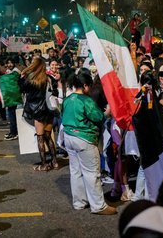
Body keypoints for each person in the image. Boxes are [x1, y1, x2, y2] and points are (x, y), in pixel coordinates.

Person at [62, 68, 116, 215]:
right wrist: (107, 112)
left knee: (76, 171)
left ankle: (79, 202)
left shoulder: (68, 99)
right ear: (86, 85)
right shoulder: (86, 101)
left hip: (69, 137)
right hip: (84, 138)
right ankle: (98, 206)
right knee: (92, 173)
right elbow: (98, 117)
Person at [19, 56, 58, 171]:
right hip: (49, 110)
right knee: (48, 137)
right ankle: (55, 162)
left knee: (40, 138)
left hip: (37, 112)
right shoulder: (50, 78)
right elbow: (54, 92)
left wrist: (21, 77)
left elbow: (22, 89)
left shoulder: (31, 80)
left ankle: (44, 164)